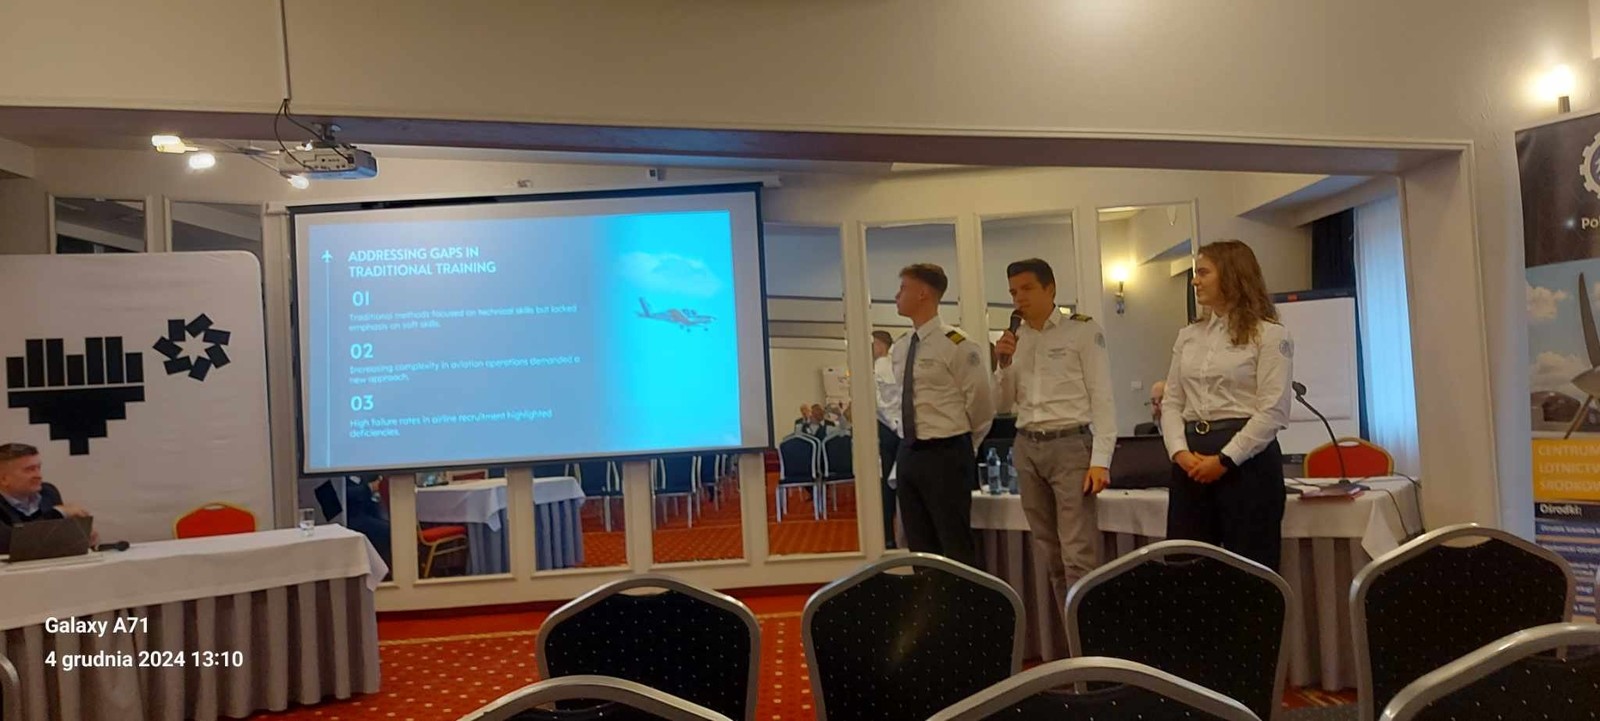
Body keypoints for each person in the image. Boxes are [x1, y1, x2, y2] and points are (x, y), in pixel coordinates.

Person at [993, 258, 1116, 621]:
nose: (1019, 298)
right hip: (1026, 446)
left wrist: (1101, 460)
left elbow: (1102, 397)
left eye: (1027, 289)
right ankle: (1071, 640)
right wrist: (1002, 365)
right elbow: (1002, 405)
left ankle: (1090, 642)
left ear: (1051, 289)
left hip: (1070, 447)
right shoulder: (1015, 339)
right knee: (1050, 554)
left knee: (1077, 554)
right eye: (1013, 292)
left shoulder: (1082, 331)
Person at [1160, 240, 1293, 571]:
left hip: (1247, 464)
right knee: (1185, 568)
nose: (1195, 281)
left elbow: (1272, 411)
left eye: (1203, 272)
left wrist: (1225, 460)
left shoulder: (1270, 335)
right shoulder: (1188, 336)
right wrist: (1179, 452)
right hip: (1191, 462)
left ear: (1232, 275)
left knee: (1250, 573)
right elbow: (1172, 401)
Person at [891, 263, 995, 565]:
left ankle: (964, 597)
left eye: (903, 288)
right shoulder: (901, 347)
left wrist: (963, 446)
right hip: (909, 451)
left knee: (954, 543)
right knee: (919, 547)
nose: (897, 295)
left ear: (923, 293)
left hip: (946, 452)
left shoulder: (957, 345)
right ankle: (929, 596)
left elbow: (981, 405)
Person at [0, 442, 97, 545]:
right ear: (4, 479)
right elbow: (12, 543)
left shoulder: (48, 493)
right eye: (29, 470)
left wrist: (78, 532)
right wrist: (58, 513)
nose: (39, 475)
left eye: (39, 468)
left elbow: (55, 539)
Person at [871, 329, 902, 548]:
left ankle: (888, 537)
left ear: (881, 344)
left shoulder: (876, 368)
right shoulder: (898, 366)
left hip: (886, 428)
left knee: (886, 486)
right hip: (903, 428)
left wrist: (891, 424)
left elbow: (877, 403)